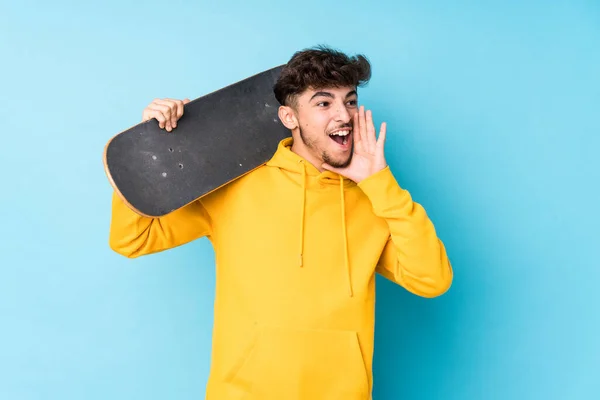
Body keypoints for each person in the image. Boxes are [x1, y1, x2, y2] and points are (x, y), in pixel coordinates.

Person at [109, 45, 453, 400]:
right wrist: (143, 156)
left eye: (349, 101)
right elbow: (132, 240)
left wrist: (380, 183)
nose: (344, 115)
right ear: (289, 117)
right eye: (324, 103)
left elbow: (432, 280)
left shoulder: (375, 199)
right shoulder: (235, 185)